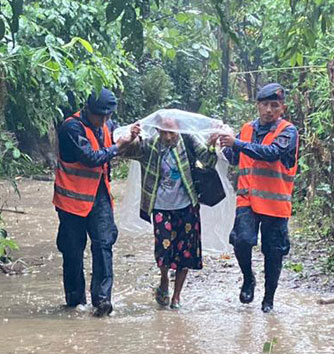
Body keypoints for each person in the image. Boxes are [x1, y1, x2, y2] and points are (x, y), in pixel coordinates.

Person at [53, 88, 138, 317]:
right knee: (73, 251)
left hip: (99, 196)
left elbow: (120, 140)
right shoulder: (71, 128)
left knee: (103, 245)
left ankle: (102, 301)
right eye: (99, 116)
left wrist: (130, 136)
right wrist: (118, 146)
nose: (102, 121)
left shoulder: (109, 125)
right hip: (71, 200)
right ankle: (75, 302)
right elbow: (91, 158)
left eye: (106, 117)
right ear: (88, 110)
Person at [123, 115, 219, 309]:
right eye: (164, 132)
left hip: (187, 207)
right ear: (157, 131)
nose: (168, 137)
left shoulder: (188, 142)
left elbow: (209, 161)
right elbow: (125, 152)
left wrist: (211, 144)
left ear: (179, 130)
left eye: (172, 132)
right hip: (160, 207)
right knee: (163, 250)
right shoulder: (150, 146)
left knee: (186, 254)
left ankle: (177, 296)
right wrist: (131, 138)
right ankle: (164, 279)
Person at [219, 83, 299, 313]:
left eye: (274, 105)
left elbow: (273, 153)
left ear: (282, 108)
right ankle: (248, 278)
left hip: (275, 204)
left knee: (273, 253)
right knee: (241, 240)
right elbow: (233, 157)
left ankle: (269, 300)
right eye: (265, 104)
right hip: (247, 199)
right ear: (258, 106)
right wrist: (218, 142)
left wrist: (238, 144)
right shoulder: (246, 130)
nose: (269, 110)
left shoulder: (288, 131)